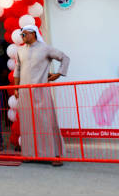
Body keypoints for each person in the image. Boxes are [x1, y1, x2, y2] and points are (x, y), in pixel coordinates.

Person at [14, 25, 70, 166]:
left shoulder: (45, 48)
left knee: (46, 122)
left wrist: (58, 74)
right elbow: (17, 70)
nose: (22, 37)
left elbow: (64, 58)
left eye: (24, 34)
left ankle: (54, 155)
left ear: (33, 34)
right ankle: (29, 154)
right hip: (24, 93)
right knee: (27, 124)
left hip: (41, 91)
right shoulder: (20, 51)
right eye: (21, 35)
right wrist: (16, 88)